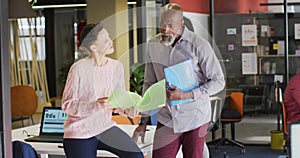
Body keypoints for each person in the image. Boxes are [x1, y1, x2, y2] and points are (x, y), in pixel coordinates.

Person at [132, 3, 225, 158]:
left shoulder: (199, 45)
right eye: (162, 24)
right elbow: (149, 82)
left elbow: (218, 81)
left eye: (170, 25)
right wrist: (143, 121)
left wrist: (186, 95)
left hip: (195, 118)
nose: (166, 30)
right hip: (167, 118)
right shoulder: (153, 45)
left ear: (181, 23)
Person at [61, 23, 143, 158]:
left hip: (105, 127)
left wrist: (128, 109)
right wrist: (94, 105)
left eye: (109, 37)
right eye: (105, 40)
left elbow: (118, 100)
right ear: (93, 47)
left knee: (136, 155)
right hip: (80, 132)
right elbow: (67, 104)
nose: (111, 42)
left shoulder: (116, 67)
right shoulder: (78, 69)